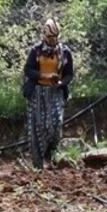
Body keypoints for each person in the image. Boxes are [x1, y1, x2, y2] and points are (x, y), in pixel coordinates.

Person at [22, 18, 74, 170]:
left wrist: (61, 83)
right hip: (38, 92)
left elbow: (69, 74)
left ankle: (49, 154)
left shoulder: (64, 52)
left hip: (55, 92)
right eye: (50, 37)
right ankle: (39, 163)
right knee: (38, 126)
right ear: (44, 36)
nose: (53, 40)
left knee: (55, 124)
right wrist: (45, 76)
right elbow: (28, 70)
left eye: (55, 37)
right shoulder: (36, 51)